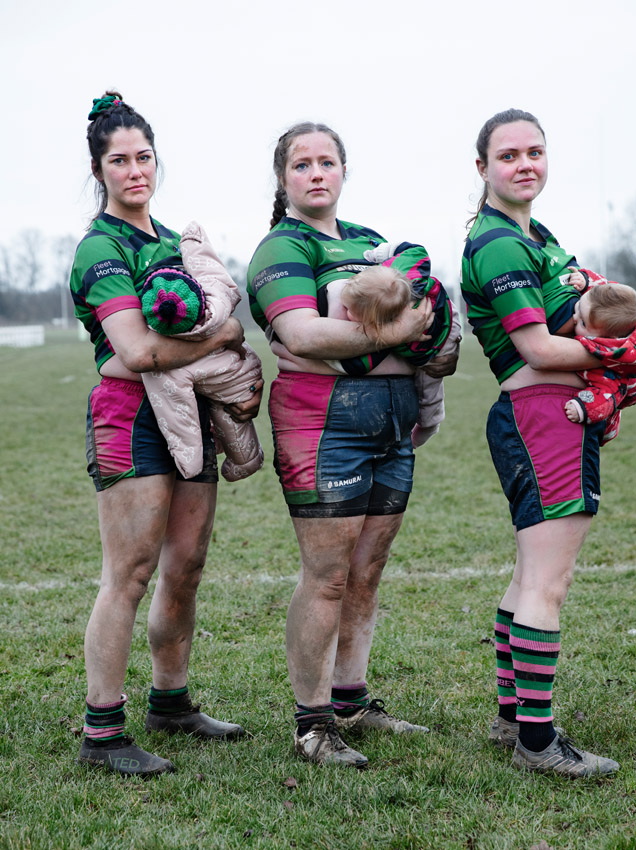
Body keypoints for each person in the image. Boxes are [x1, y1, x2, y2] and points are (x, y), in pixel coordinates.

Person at [247, 122, 459, 767]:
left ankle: (350, 700)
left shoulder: (372, 244)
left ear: (344, 171)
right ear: (282, 179)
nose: (317, 173)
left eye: (328, 162)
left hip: (393, 422)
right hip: (324, 422)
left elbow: (433, 318)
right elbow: (303, 335)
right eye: (302, 164)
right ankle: (311, 724)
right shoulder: (279, 247)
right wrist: (402, 333)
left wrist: (428, 333)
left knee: (366, 572)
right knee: (329, 577)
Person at [70, 92, 262, 777]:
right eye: (118, 160)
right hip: (129, 414)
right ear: (100, 170)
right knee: (130, 572)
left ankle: (171, 702)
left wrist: (208, 337)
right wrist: (223, 333)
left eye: (143, 156)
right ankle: (101, 732)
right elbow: (137, 352)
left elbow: (176, 333)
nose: (133, 170)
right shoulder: (102, 245)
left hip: (190, 413)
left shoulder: (169, 240)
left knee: (186, 565)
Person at [461, 108, 621, 777]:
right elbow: (535, 347)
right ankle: (537, 742)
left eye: (535, 152)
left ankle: (512, 720)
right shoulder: (498, 241)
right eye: (509, 155)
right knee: (547, 584)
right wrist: (618, 357)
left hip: (546, 412)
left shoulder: (539, 234)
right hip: (543, 412)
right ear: (483, 168)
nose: (525, 164)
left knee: (530, 575)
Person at [140, 220, 264, 481]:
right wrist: (193, 240)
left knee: (230, 420)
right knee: (231, 423)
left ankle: (245, 462)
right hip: (245, 366)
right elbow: (210, 272)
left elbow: (177, 416)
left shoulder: (172, 365)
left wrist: (190, 461)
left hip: (231, 384)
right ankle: (244, 460)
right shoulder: (216, 300)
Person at [322, 242, 462, 448]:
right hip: (447, 306)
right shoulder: (403, 278)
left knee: (430, 387)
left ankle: (429, 426)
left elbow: (354, 365)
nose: (345, 311)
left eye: (350, 311)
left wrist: (327, 355)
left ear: (377, 323)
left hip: (442, 340)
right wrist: (375, 255)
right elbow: (416, 250)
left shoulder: (390, 337)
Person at [562, 269, 636, 440]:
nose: (573, 318)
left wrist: (582, 407)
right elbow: (603, 288)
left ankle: (610, 428)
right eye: (578, 306)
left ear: (605, 338)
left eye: (582, 322)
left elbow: (606, 395)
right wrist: (585, 280)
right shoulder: (604, 306)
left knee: (609, 414)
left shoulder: (612, 366)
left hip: (626, 386)